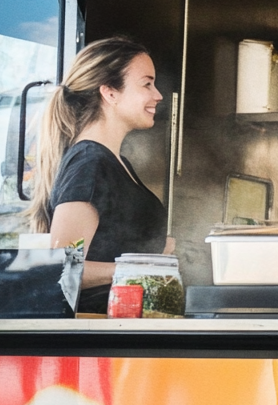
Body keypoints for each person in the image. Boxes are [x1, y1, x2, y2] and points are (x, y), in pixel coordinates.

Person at [25, 37, 170, 314]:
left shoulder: (114, 161)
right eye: (146, 84)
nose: (158, 95)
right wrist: (143, 267)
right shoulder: (90, 164)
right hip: (97, 335)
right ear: (110, 93)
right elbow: (60, 268)